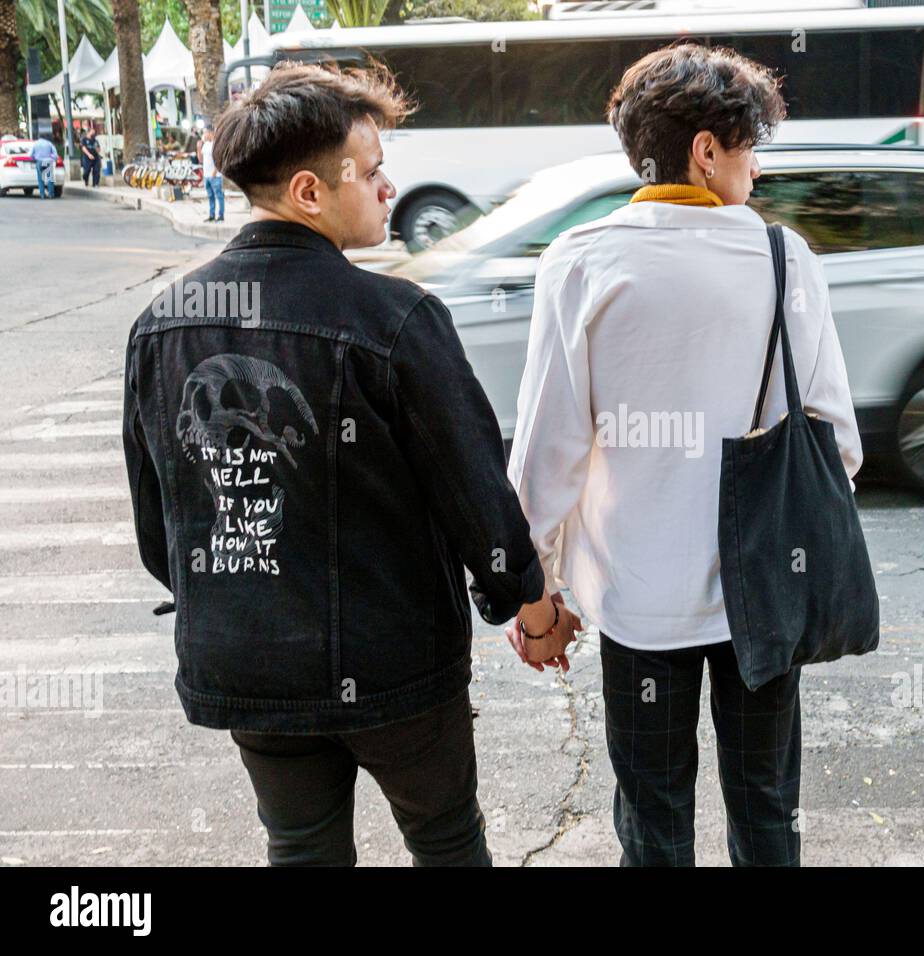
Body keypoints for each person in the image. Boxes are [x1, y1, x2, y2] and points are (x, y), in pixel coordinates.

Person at [122, 62, 580, 867]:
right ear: (309, 191)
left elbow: (162, 528)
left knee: (299, 848)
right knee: (444, 842)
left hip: (247, 661)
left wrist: (226, 593)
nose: (386, 186)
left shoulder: (163, 324)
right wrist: (531, 613)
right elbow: (478, 497)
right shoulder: (395, 318)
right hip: (393, 665)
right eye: (369, 173)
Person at [506, 43, 862, 866]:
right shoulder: (785, 261)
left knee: (654, 823)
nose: (757, 172)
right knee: (768, 815)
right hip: (765, 603)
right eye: (750, 148)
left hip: (639, 610)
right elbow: (837, 443)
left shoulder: (583, 261)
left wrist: (542, 601)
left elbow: (546, 457)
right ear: (706, 149)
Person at [201, 128, 224, 221]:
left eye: (205, 133)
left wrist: (215, 170)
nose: (204, 135)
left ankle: (221, 215)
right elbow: (201, 159)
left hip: (215, 175)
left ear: (210, 133)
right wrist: (198, 148)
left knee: (219, 195)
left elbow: (219, 158)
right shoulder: (205, 145)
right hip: (206, 175)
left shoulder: (216, 144)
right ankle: (211, 215)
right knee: (210, 196)